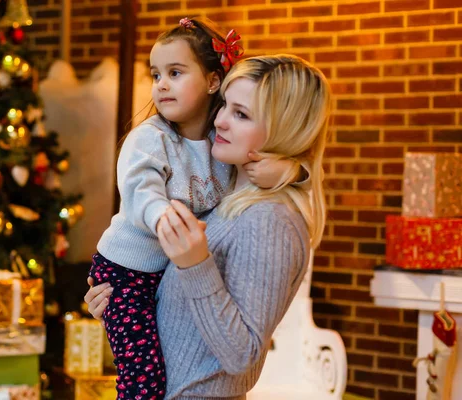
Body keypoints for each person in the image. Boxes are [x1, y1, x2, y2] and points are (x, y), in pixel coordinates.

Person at [86, 54, 331, 399]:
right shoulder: (225, 199)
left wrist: (195, 264)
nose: (221, 120)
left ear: (284, 131)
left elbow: (241, 355)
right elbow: (191, 331)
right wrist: (120, 310)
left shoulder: (270, 220)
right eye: (225, 105)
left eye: (241, 114)